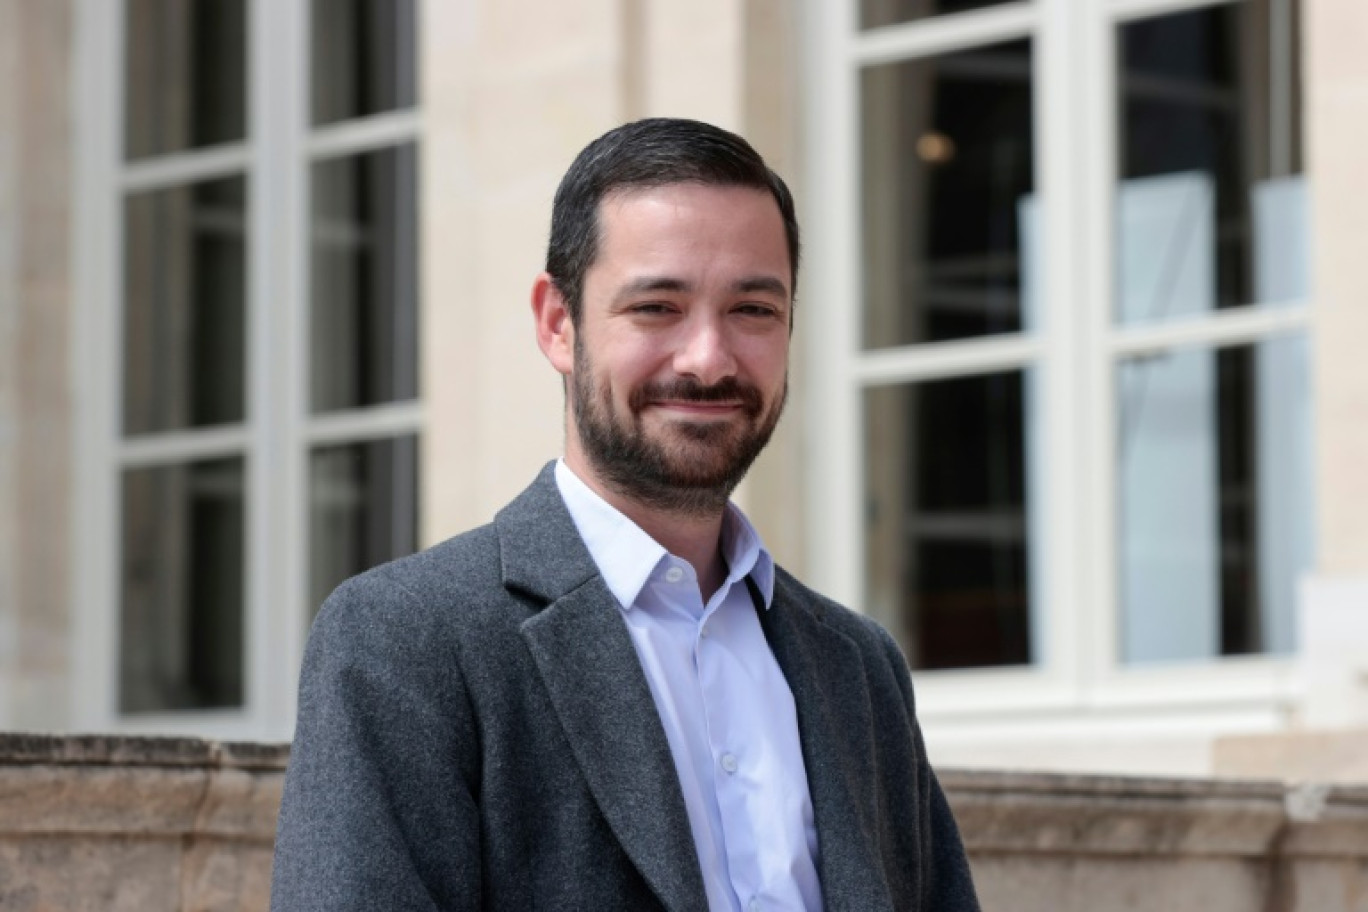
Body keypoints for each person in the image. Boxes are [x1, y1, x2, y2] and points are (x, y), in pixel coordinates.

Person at [270, 117, 980, 912]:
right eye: (657, 307)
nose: (708, 358)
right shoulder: (405, 642)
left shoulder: (859, 666)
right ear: (557, 324)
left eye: (753, 309)